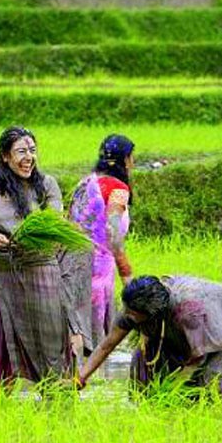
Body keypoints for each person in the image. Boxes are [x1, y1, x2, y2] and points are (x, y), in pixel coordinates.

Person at [0, 126, 69, 396]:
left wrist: (32, 236)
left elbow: (56, 227)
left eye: (33, 151)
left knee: (50, 354)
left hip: (41, 274)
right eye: (21, 152)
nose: (29, 158)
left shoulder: (47, 186)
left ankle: (56, 407)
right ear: (4, 156)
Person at [76, 275, 222, 400]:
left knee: (208, 379)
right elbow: (106, 346)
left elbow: (197, 359)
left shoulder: (188, 313)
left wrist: (170, 390)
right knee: (140, 369)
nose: (127, 316)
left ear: (152, 314)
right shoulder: (133, 307)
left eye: (133, 314)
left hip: (217, 321)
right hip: (175, 326)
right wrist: (80, 377)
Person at [63, 134, 135, 362]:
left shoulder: (84, 183)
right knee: (94, 343)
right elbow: (113, 234)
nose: (133, 163)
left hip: (71, 264)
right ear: (125, 160)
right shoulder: (119, 189)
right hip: (97, 274)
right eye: (132, 158)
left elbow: (68, 222)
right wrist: (127, 275)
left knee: (73, 332)